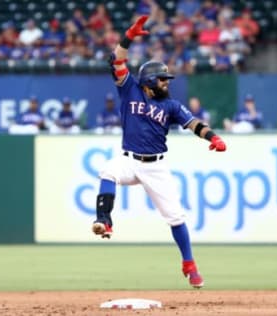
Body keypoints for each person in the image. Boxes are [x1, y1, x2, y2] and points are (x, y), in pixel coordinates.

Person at [92, 15, 227, 289]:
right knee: (108, 170)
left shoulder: (172, 106)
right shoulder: (129, 89)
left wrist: (213, 137)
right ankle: (104, 221)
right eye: (163, 79)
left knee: (175, 217)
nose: (167, 83)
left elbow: (194, 124)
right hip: (129, 159)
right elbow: (116, 61)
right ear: (149, 81)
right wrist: (129, 36)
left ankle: (189, 264)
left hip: (156, 166)